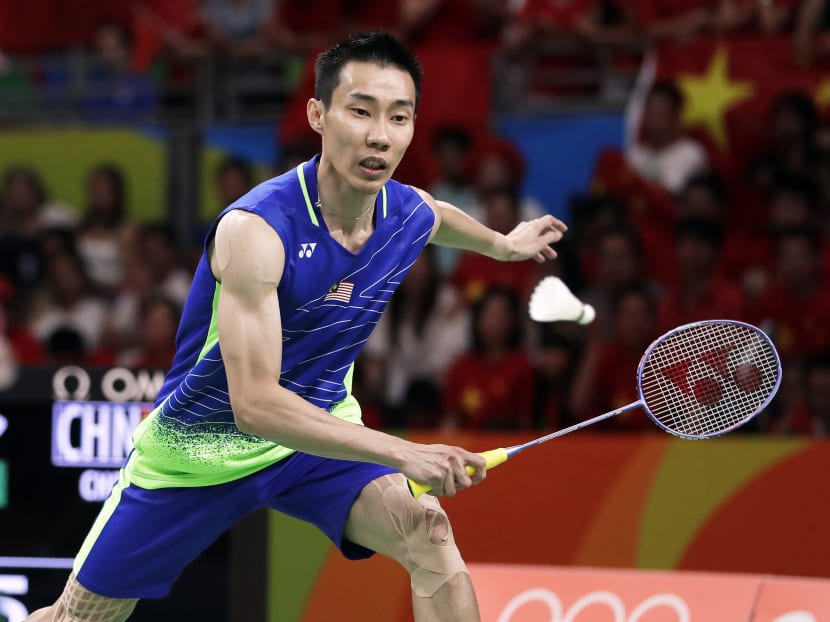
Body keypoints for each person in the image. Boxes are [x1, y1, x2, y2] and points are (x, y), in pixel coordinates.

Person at [26, 31, 565, 622]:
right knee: (78, 618)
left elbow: (436, 217)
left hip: (316, 436)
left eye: (399, 117)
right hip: (201, 452)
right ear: (318, 114)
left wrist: (503, 245)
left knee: (429, 535)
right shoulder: (257, 231)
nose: (380, 136)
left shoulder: (402, 211)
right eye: (360, 111)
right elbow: (255, 405)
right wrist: (405, 454)